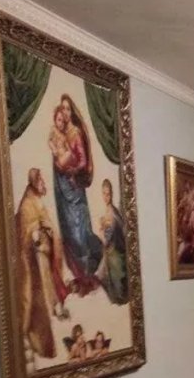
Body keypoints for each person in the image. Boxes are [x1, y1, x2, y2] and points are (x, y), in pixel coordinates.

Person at [49, 94, 102, 296]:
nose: (65, 112)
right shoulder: (60, 133)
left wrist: (70, 170)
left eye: (67, 109)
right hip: (63, 191)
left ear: (72, 111)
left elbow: (82, 161)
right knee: (69, 234)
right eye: (62, 109)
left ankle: (88, 276)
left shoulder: (76, 133)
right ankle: (80, 277)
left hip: (75, 190)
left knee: (80, 234)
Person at [15, 167, 69, 361]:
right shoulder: (27, 205)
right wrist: (36, 232)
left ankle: (55, 307)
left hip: (44, 256)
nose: (43, 183)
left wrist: (49, 232)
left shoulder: (37, 201)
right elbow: (25, 233)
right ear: (34, 183)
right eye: (40, 181)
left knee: (49, 288)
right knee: (38, 297)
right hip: (34, 261)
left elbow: (48, 224)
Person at [97, 178, 128, 304]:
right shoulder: (111, 210)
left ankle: (118, 296)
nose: (106, 197)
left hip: (115, 253)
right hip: (112, 251)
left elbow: (107, 239)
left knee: (104, 277)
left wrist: (101, 232)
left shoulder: (112, 212)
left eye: (108, 194)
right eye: (104, 193)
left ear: (112, 194)